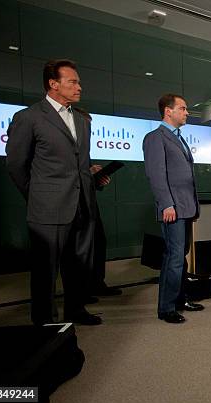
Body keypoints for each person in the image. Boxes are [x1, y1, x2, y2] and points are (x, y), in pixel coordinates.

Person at [6, 59, 102, 325]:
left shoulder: (82, 120)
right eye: (73, 81)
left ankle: (76, 311)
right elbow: (16, 164)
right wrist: (37, 195)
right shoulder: (29, 117)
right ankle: (46, 324)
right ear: (53, 84)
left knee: (77, 266)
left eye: (78, 82)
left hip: (81, 206)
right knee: (45, 272)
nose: (79, 87)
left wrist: (92, 179)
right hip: (47, 208)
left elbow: (78, 162)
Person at [143, 94, 204, 324]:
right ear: (168, 111)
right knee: (174, 257)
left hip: (186, 207)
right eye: (183, 108)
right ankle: (166, 308)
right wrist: (166, 203)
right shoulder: (155, 138)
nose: (187, 112)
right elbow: (156, 175)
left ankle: (180, 299)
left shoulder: (178, 138)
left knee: (181, 256)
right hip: (172, 208)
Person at [73, 107, 122, 299]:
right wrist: (88, 173)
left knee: (98, 243)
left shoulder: (84, 148)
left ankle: (97, 283)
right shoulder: (67, 148)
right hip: (74, 207)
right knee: (80, 250)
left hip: (90, 204)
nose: (89, 130)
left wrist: (97, 179)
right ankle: (82, 290)